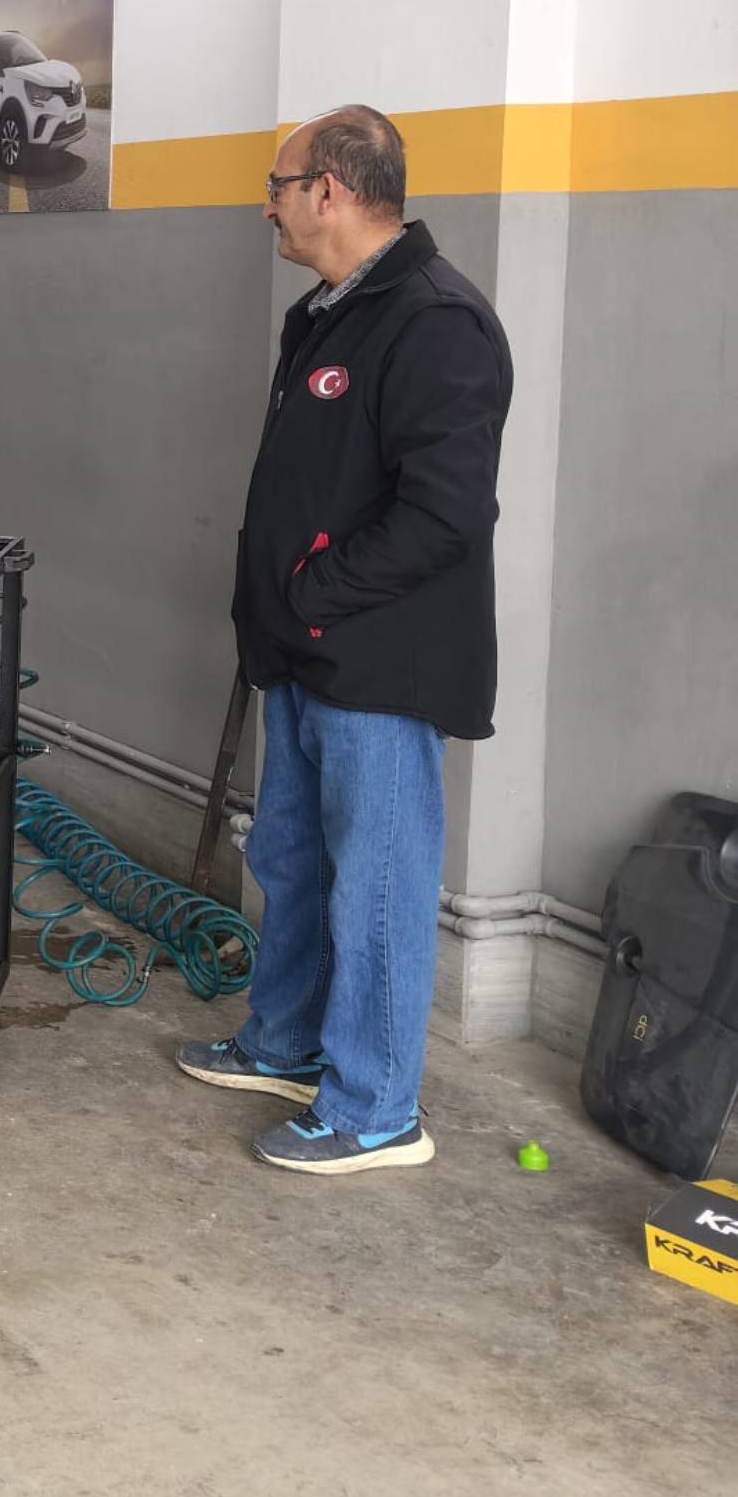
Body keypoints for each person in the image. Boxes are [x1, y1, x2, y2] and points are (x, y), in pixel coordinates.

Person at [179, 105, 512, 1175]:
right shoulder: (327, 313)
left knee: (375, 884)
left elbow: (445, 514)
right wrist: (280, 610)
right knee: (291, 858)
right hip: (302, 650)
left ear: (329, 188)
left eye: (275, 187)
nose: (266, 207)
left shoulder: (435, 321)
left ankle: (375, 1110)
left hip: (379, 661)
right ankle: (286, 1042)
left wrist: (315, 593)